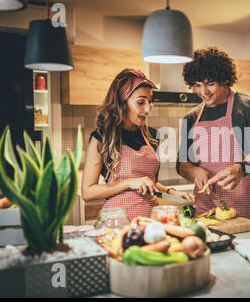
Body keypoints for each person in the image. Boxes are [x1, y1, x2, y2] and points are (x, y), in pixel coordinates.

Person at [176, 47, 250, 228]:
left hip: (247, 210)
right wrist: (195, 172)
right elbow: (182, 165)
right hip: (206, 213)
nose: (204, 91)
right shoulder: (191, 118)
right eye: (197, 84)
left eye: (210, 83)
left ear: (224, 79)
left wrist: (242, 168)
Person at [82, 69, 193, 220]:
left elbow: (149, 183)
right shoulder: (102, 138)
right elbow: (88, 192)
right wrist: (129, 182)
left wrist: (170, 191)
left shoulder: (152, 137)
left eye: (150, 101)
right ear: (122, 102)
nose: (147, 109)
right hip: (117, 223)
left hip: (151, 221)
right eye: (140, 102)